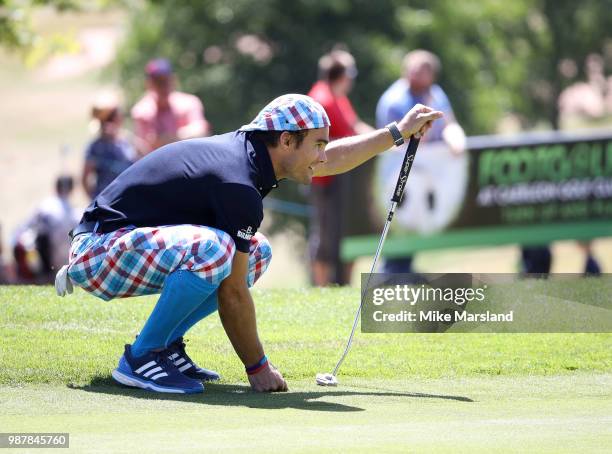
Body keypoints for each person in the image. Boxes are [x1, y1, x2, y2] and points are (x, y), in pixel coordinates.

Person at [55, 94, 442, 394]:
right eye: (318, 145)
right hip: (96, 253)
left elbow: (331, 159)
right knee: (217, 251)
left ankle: (165, 346)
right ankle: (141, 358)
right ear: (287, 140)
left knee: (256, 251)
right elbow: (234, 295)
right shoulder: (239, 183)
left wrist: (397, 132)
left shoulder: (257, 155)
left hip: (119, 248)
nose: (322, 156)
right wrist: (257, 367)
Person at [376, 49, 466, 273]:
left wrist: (456, 138)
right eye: (414, 71)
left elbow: (449, 124)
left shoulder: (435, 93)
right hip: (400, 176)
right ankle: (391, 275)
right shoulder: (394, 100)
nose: (418, 76)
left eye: (424, 72)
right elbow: (393, 142)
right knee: (401, 233)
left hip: (430, 176)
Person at [307, 49, 373, 286]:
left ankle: (337, 284)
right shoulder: (322, 99)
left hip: (338, 178)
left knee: (339, 234)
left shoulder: (338, 98)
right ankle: (321, 287)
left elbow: (354, 127)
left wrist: (385, 139)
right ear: (342, 75)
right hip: (324, 180)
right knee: (324, 236)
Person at [131, 58, 211, 155]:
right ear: (149, 84)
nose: (163, 86)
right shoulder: (142, 111)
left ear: (173, 80)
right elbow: (143, 149)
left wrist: (170, 138)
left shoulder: (189, 102)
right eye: (158, 82)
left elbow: (201, 131)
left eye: (166, 81)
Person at [13, 176, 80, 283]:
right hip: (62, 263)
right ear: (72, 190)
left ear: (56, 187)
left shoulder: (44, 206)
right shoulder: (76, 213)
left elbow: (22, 230)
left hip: (42, 262)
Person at [82, 94, 137, 200]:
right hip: (108, 201)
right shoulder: (95, 147)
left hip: (130, 198)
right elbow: (85, 179)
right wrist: (95, 201)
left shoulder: (128, 140)